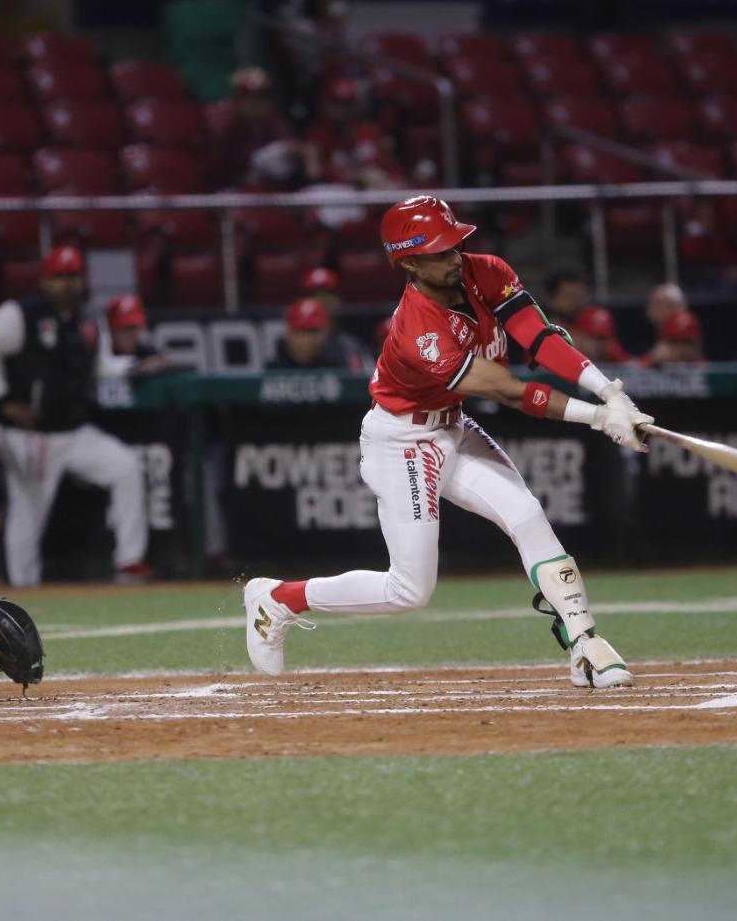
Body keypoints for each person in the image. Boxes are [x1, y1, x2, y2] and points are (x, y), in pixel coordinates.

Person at [242, 196, 652, 689]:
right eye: (438, 252)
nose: (454, 257)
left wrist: (609, 392)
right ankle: (279, 599)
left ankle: (585, 643)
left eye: (454, 244)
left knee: (526, 515)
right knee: (409, 590)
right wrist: (597, 418)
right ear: (409, 263)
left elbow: (540, 338)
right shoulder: (417, 329)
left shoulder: (487, 271)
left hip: (452, 425)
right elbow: (507, 389)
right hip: (403, 440)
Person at [0, 246, 150, 586]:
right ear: (45, 280)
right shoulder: (19, 314)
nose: (67, 284)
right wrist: (2, 399)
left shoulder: (88, 319)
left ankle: (129, 562)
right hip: (30, 435)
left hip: (73, 432)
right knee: (28, 510)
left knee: (125, 466)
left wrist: (136, 366)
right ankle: (24, 586)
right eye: (60, 277)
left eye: (73, 276)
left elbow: (102, 367)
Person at [212, 67, 296, 189]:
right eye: (248, 97)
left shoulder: (274, 122)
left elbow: (294, 147)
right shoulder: (224, 124)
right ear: (237, 99)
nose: (255, 102)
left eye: (261, 97)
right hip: (228, 191)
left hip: (270, 190)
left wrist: (285, 150)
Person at [268, 298, 368, 371]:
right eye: (302, 330)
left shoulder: (339, 367)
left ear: (325, 332)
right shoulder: (272, 370)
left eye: (313, 330)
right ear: (288, 332)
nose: (308, 338)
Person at [97, 294, 169, 380]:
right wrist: (138, 367)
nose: (131, 335)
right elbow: (103, 370)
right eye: (125, 329)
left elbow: (163, 363)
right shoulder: (99, 353)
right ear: (111, 330)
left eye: (135, 328)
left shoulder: (145, 351)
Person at [640, 310, 705, 368]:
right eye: (674, 341)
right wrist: (652, 363)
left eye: (686, 342)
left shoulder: (703, 367)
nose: (680, 349)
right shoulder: (650, 362)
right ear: (662, 342)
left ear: (697, 344)